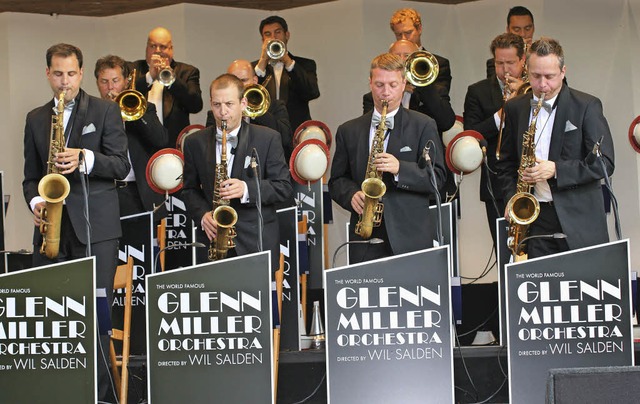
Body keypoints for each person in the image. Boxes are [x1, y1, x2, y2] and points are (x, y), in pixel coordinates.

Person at [22, 43, 130, 403]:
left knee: (95, 318)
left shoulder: (105, 110)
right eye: (57, 74)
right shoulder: (36, 118)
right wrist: (37, 201)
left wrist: (86, 157)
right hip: (51, 230)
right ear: (48, 74)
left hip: (95, 230)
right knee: (49, 314)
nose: (64, 81)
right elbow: (29, 178)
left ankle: (99, 396)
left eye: (71, 74)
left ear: (81, 74)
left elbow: (120, 165)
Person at [496, 37, 614, 258]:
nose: (542, 85)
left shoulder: (587, 106)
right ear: (526, 71)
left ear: (563, 71)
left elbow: (604, 163)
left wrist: (557, 169)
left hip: (579, 220)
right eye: (535, 76)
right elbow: (506, 163)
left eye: (549, 77)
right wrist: (513, 198)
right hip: (536, 220)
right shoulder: (514, 108)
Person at [329, 53, 446, 264]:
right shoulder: (348, 130)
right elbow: (337, 180)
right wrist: (351, 195)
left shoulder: (424, 125)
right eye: (379, 84)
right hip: (364, 237)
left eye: (393, 85)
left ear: (404, 84)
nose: (386, 92)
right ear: (370, 84)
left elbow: (437, 178)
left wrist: (400, 168)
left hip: (410, 237)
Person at [182, 74, 292, 271]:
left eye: (229, 104)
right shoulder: (194, 142)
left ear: (243, 103)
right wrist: (202, 215)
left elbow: (283, 187)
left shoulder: (268, 138)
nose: (223, 112)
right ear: (210, 103)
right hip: (212, 240)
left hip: (254, 243)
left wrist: (246, 189)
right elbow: (189, 189)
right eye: (217, 105)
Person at [463, 33, 527, 248]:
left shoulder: (535, 88)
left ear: (523, 61)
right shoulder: (477, 92)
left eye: (511, 62)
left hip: (534, 179)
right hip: (497, 182)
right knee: (505, 248)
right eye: (499, 63)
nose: (505, 69)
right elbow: (471, 136)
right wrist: (501, 114)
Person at [95, 55, 169, 218]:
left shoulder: (143, 108)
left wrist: (134, 115)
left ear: (126, 82)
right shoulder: (92, 114)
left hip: (138, 193)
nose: (110, 88)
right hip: (104, 194)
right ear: (97, 84)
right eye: (104, 82)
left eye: (115, 80)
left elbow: (161, 140)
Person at [130, 26, 203, 148]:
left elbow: (195, 105)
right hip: (138, 146)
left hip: (172, 146)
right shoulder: (133, 69)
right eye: (153, 46)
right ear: (146, 48)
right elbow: (128, 97)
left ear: (171, 49)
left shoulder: (187, 72)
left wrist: (172, 81)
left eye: (163, 47)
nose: (158, 51)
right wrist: (150, 76)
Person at [206, 59, 293, 160]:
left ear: (255, 81)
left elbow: (286, 139)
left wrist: (256, 111)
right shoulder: (218, 113)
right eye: (234, 81)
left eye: (243, 80)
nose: (239, 86)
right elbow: (210, 147)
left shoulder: (275, 107)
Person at [363, 39, 455, 133]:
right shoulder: (375, 97)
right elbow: (370, 130)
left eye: (407, 56)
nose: (402, 60)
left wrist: (424, 87)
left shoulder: (434, 91)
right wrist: (398, 90)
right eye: (397, 56)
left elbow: (446, 123)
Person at [252, 15, 320, 132]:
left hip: (296, 131)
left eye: (277, 32)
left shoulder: (305, 64)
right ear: (263, 40)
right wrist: (263, 61)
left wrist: (288, 61)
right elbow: (248, 97)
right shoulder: (254, 68)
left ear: (287, 35)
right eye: (267, 34)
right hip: (264, 132)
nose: (273, 37)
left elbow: (311, 93)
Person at [390, 8, 453, 96]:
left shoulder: (439, 64)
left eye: (408, 32)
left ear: (419, 29)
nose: (403, 38)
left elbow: (439, 101)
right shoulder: (389, 64)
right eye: (399, 34)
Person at [486, 6, 535, 78]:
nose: (523, 34)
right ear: (508, 30)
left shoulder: (543, 59)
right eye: (517, 30)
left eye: (527, 29)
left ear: (533, 28)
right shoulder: (493, 64)